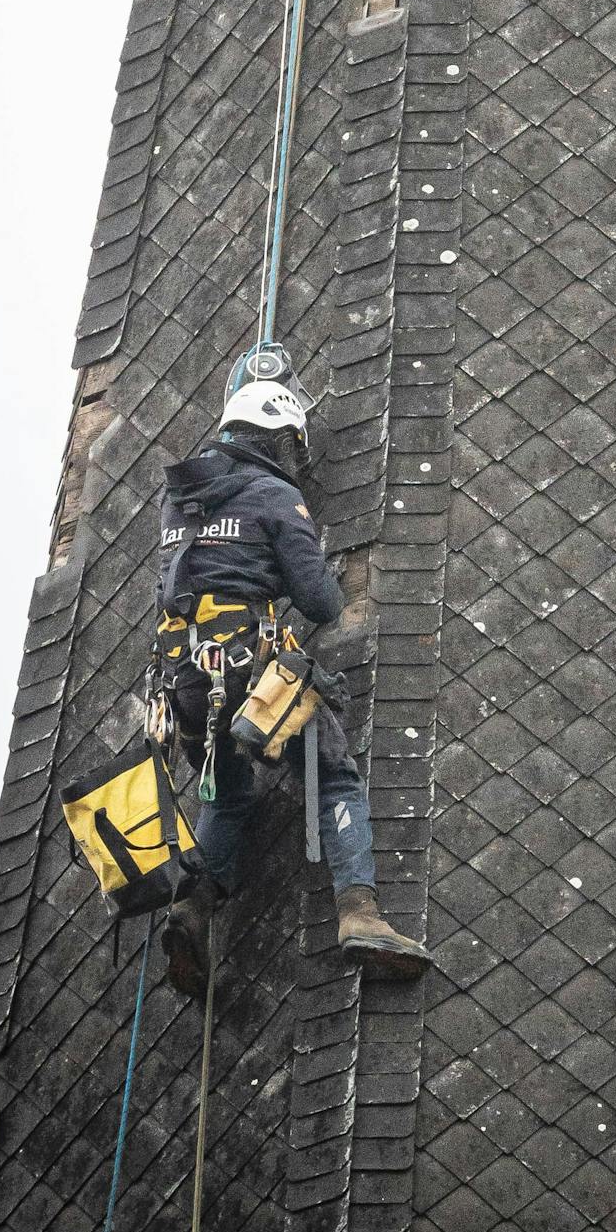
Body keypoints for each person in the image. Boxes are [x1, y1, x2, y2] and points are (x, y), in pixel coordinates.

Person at [155, 348, 428, 993]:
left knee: (225, 789)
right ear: (281, 433)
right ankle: (360, 914)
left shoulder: (179, 499)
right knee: (333, 775)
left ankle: (191, 908)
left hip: (187, 684)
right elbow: (322, 603)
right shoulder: (274, 496)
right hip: (254, 676)